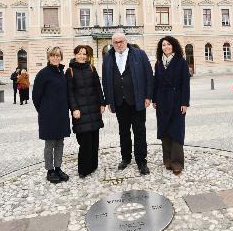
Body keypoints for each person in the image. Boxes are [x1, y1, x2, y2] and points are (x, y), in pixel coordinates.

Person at [102, 33, 154, 175]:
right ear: (112, 43)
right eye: (116, 42)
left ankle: (141, 161)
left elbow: (149, 76)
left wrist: (148, 96)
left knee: (139, 131)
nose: (119, 44)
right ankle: (126, 158)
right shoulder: (107, 57)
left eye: (121, 41)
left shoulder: (139, 54)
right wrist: (108, 101)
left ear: (126, 41)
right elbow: (106, 81)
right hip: (119, 102)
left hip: (137, 100)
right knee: (123, 132)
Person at [66, 45, 106, 178]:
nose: (82, 56)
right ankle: (83, 169)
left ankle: (93, 165)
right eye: (80, 53)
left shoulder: (91, 68)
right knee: (85, 142)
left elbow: (97, 87)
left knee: (95, 140)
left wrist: (102, 103)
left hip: (94, 109)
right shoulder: (70, 71)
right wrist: (74, 109)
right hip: (80, 111)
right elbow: (70, 93)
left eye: (85, 54)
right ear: (75, 54)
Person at [32, 47, 71, 184]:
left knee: (60, 142)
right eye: (53, 56)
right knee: (50, 144)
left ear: (61, 57)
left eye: (58, 55)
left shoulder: (62, 72)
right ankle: (50, 170)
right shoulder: (43, 74)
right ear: (48, 57)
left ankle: (58, 167)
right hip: (48, 115)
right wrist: (43, 110)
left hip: (61, 114)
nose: (55, 58)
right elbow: (36, 96)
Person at [152, 36, 190, 175]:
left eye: (168, 44)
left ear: (173, 46)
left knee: (177, 131)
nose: (166, 47)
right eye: (163, 45)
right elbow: (156, 82)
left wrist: (185, 103)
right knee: (164, 130)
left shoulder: (181, 62)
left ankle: (177, 162)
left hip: (177, 100)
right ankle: (167, 160)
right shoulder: (158, 63)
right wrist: (154, 99)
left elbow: (186, 84)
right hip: (162, 101)